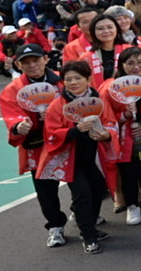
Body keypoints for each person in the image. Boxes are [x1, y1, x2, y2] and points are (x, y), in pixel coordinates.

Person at [38, 60, 119, 255]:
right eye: (68, 79)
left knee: (99, 189)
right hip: (71, 157)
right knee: (82, 194)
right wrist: (74, 131)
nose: (73, 82)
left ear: (88, 79)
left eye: (77, 78)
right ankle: (88, 235)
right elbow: (51, 132)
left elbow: (111, 123)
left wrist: (107, 134)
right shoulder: (57, 105)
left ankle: (88, 224)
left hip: (95, 155)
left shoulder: (99, 100)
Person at [0, 44, 69, 247]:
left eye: (36, 60)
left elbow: (78, 103)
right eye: (26, 62)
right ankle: (56, 226)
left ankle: (84, 217)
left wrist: (56, 115)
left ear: (46, 59)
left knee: (83, 183)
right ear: (18, 65)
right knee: (45, 190)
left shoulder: (63, 80)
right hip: (37, 146)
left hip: (67, 141)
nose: (32, 65)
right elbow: (12, 116)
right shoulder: (12, 90)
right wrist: (20, 125)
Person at [99, 47, 141, 225]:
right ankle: (132, 206)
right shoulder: (111, 87)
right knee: (128, 173)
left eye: (140, 62)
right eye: (130, 63)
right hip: (123, 138)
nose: (136, 66)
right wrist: (124, 116)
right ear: (122, 65)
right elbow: (105, 116)